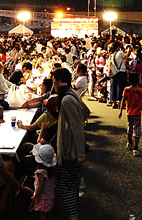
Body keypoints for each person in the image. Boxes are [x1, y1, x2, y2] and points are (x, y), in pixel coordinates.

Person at [53, 68, 88, 220]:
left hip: (70, 152)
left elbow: (78, 128)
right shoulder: (71, 95)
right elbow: (86, 111)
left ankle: (73, 216)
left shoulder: (67, 100)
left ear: (60, 82)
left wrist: (81, 154)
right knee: (70, 186)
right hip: (71, 150)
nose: (53, 83)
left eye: (54, 80)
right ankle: (74, 213)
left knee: (65, 188)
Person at [118, 72, 142, 157]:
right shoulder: (141, 91)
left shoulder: (126, 90)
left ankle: (130, 141)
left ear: (128, 81)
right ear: (138, 81)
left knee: (130, 126)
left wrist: (121, 110)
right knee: (136, 128)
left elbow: (123, 100)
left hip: (129, 112)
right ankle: (136, 147)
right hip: (137, 112)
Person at [31, 143, 57, 220]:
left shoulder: (41, 172)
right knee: (49, 214)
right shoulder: (52, 170)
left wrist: (35, 196)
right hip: (51, 196)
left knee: (43, 215)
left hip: (42, 197)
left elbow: (41, 185)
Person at [109, 42, 129, 109]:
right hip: (121, 72)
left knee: (113, 87)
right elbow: (127, 58)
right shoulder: (120, 53)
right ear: (118, 47)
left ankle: (114, 103)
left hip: (113, 72)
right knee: (120, 87)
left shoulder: (111, 54)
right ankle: (120, 103)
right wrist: (128, 52)